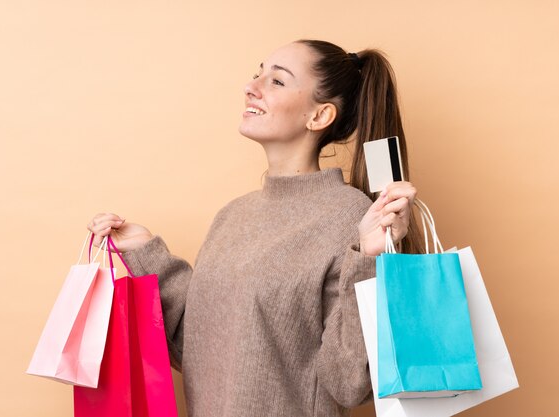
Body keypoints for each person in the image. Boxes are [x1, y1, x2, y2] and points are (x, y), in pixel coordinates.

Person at [88, 39, 422, 417]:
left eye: (277, 81)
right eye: (257, 74)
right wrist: (146, 253)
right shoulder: (233, 215)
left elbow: (348, 383)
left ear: (319, 116)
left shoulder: (352, 218)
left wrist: (370, 259)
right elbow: (197, 350)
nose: (252, 86)